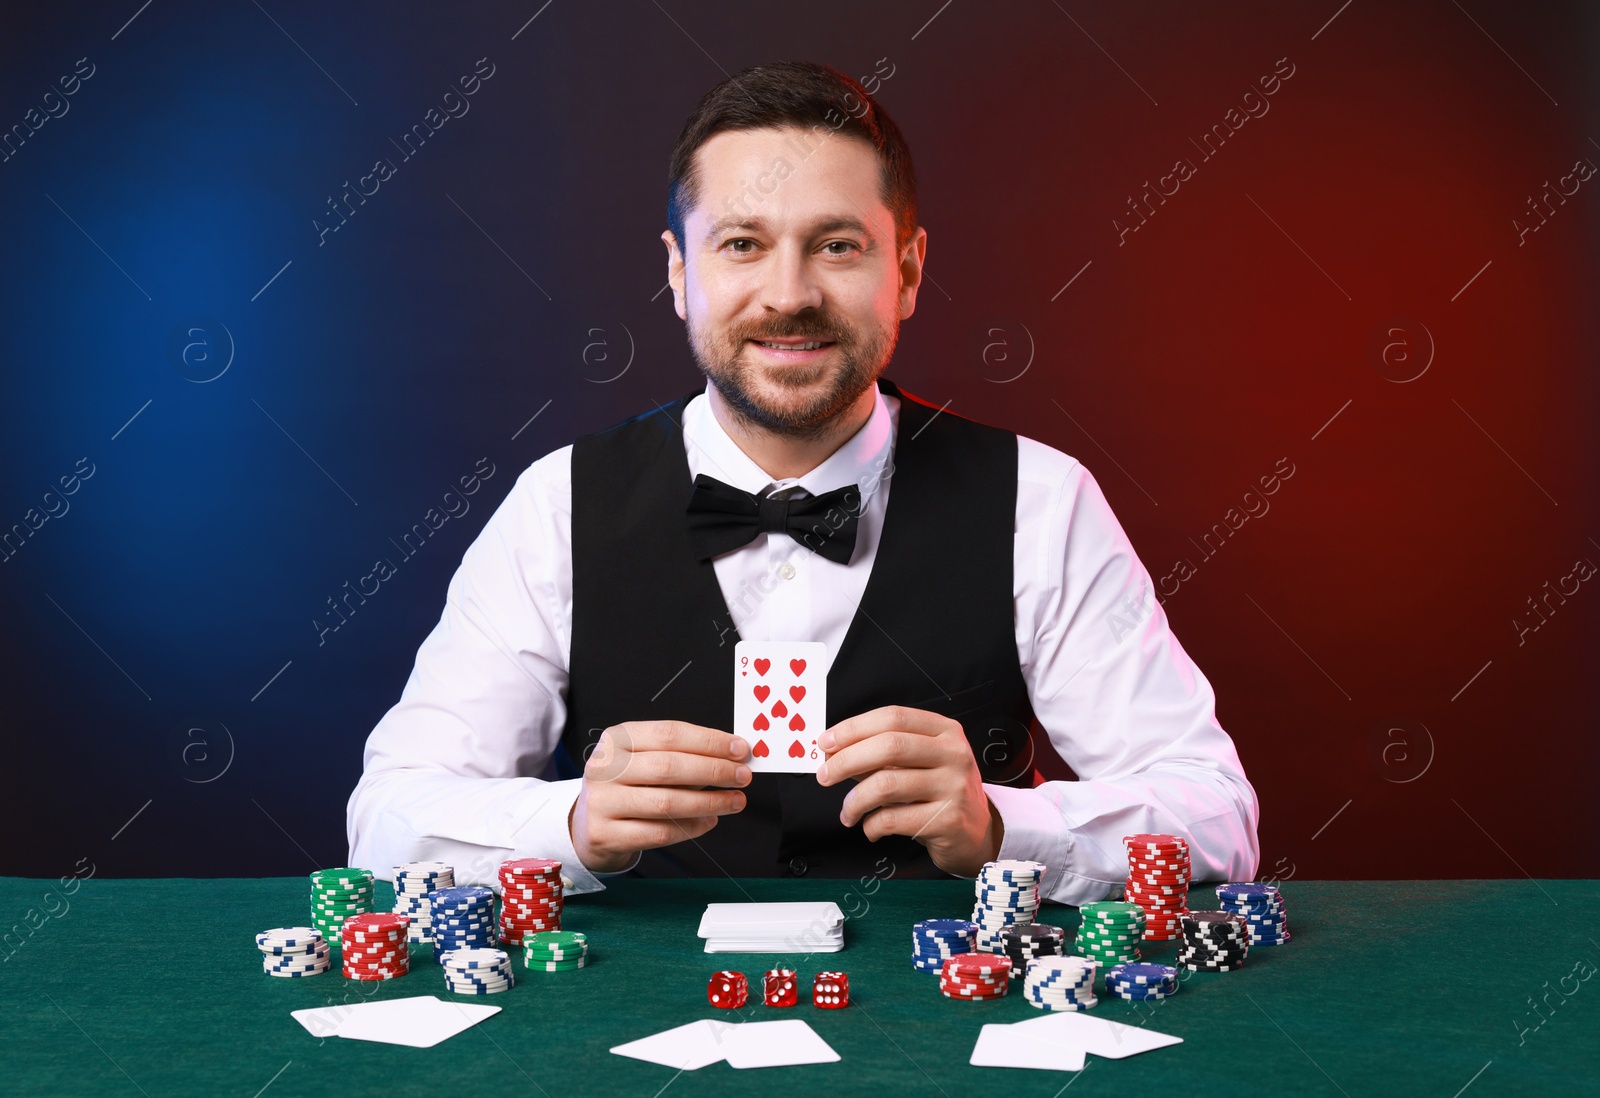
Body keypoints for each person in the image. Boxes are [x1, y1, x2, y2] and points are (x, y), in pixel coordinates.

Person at [347, 60, 1259, 903]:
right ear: (679, 273)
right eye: (742, 244)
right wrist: (572, 824)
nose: (788, 295)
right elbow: (385, 822)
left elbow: (1218, 815)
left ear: (903, 273)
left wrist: (1001, 824)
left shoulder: (1041, 499)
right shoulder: (558, 505)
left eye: (836, 246)